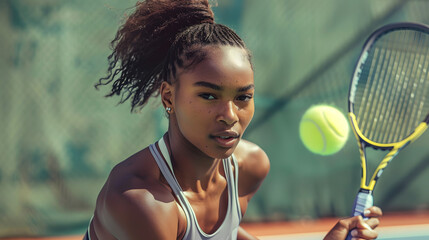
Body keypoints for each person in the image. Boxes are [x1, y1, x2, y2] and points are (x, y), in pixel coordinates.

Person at [85, 0, 382, 239]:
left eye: (243, 98)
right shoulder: (142, 203)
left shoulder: (249, 167)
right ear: (168, 98)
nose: (229, 116)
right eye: (209, 96)